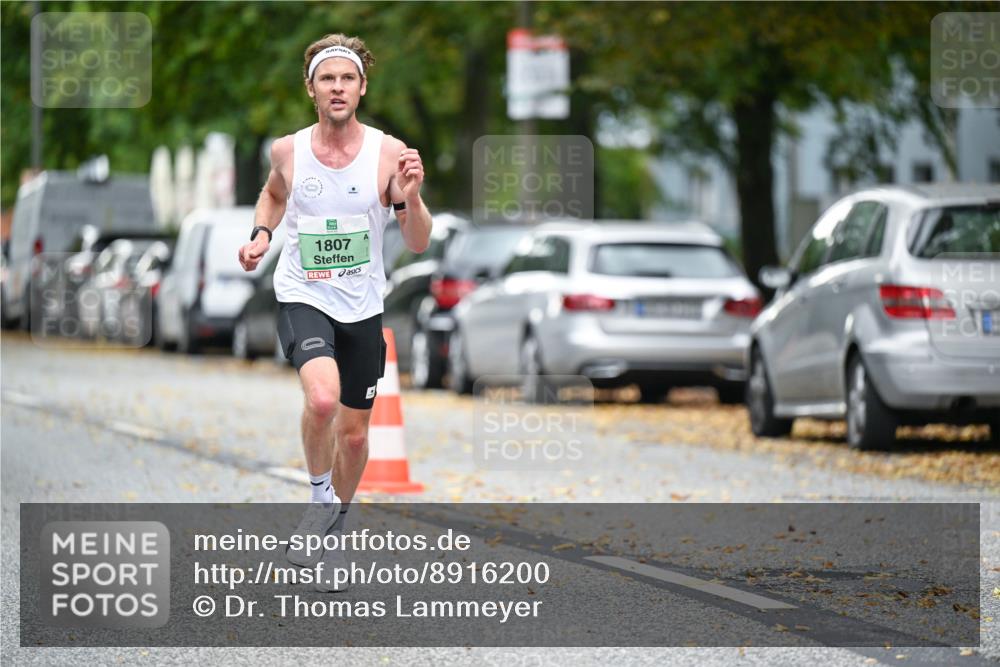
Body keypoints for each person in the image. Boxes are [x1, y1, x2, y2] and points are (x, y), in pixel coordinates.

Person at [238, 34, 431, 591]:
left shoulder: (390, 154)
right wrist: (259, 235)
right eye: (328, 79)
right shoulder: (288, 151)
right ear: (312, 89)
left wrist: (413, 198)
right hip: (304, 293)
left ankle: (334, 534)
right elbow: (274, 194)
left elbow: (417, 242)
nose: (338, 87)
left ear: (362, 87)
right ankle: (320, 503)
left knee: (353, 436)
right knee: (321, 397)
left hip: (362, 305)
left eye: (347, 78)